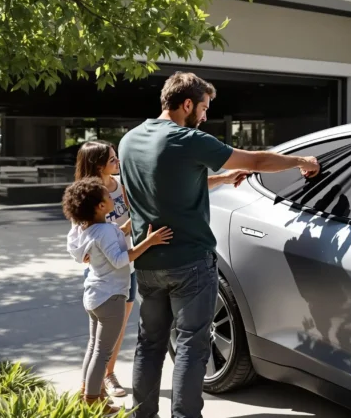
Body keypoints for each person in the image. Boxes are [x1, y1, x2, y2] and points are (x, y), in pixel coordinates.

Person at [119, 71, 320, 418]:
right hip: (190, 264)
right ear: (187, 104)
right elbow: (257, 160)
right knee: (190, 348)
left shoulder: (129, 141)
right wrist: (302, 161)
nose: (206, 115)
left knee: (150, 346)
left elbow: (159, 187)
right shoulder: (187, 139)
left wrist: (220, 179)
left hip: (149, 263)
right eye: (204, 107)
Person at [63, 177, 173, 415]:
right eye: (107, 196)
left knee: (95, 348)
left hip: (94, 296)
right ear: (101, 206)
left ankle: (90, 392)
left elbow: (113, 237)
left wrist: (128, 227)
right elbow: (121, 259)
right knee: (103, 353)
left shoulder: (90, 229)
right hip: (110, 297)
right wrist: (149, 242)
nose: (112, 197)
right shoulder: (104, 231)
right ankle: (92, 400)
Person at [74, 140, 136, 398]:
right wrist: (83, 253)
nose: (117, 163)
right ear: (98, 164)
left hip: (128, 267)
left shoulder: (122, 185)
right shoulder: (88, 194)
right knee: (102, 337)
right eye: (112, 159)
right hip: (106, 273)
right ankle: (95, 387)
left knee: (118, 328)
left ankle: (103, 378)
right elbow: (76, 238)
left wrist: (131, 226)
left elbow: (136, 213)